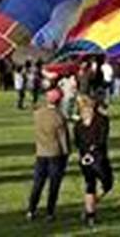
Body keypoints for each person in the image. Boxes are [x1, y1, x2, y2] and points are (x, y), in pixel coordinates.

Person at [27, 88, 70, 222]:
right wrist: (66, 153)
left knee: (38, 184)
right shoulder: (59, 117)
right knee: (54, 185)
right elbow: (63, 139)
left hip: (41, 152)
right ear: (59, 101)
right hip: (56, 154)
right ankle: (50, 212)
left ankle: (31, 209)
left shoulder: (38, 114)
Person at [74, 96, 113, 227]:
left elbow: (77, 142)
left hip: (84, 158)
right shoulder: (102, 121)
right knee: (107, 184)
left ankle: (90, 213)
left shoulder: (78, 124)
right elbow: (102, 140)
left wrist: (85, 150)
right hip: (99, 158)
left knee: (90, 185)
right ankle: (89, 207)